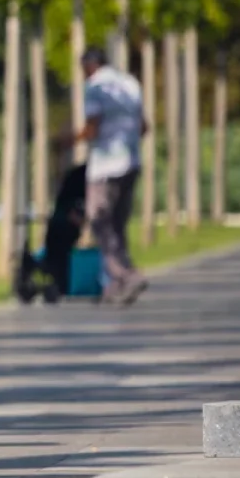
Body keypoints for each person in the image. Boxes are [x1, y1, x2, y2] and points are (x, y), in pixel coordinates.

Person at [74, 47, 148, 303]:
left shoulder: (95, 87)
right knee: (118, 224)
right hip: (131, 161)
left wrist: (71, 140)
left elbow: (92, 127)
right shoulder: (130, 84)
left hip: (106, 165)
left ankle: (125, 274)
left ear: (89, 66)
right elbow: (143, 126)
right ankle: (115, 286)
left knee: (99, 221)